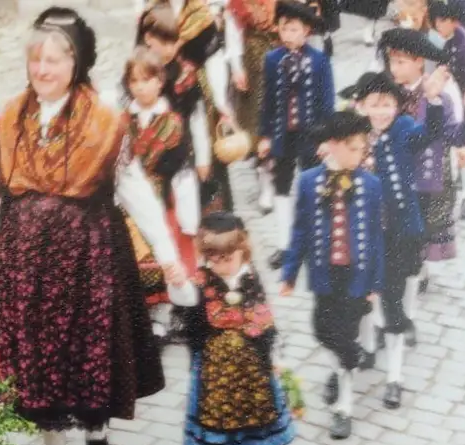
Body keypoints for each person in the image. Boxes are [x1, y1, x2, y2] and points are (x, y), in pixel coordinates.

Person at [0, 7, 184, 445]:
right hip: (26, 263)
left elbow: (135, 189)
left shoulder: (104, 120)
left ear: (77, 63)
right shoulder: (11, 120)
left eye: (55, 61)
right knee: (37, 356)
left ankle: (98, 438)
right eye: (35, 60)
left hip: (89, 258)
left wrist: (168, 254)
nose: (42, 70)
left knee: (90, 349)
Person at [280, 111, 385, 441]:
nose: (361, 155)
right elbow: (299, 231)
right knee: (323, 330)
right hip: (325, 275)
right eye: (354, 149)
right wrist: (289, 273)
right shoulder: (309, 181)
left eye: (364, 149)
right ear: (334, 146)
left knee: (345, 331)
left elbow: (377, 238)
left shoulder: (370, 184)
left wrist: (376, 283)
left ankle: (344, 407)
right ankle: (351, 358)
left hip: (357, 276)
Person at [345, 70, 447, 408]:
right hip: (362, 235)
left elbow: (431, 133)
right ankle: (367, 350)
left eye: (388, 104)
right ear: (360, 106)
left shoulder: (404, 129)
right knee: (360, 298)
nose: (382, 111)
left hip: (399, 234)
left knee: (392, 304)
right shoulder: (352, 135)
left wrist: (433, 99)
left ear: (397, 106)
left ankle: (394, 377)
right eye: (374, 104)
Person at [178, 212, 296, 445]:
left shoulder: (250, 276)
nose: (220, 267)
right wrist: (177, 284)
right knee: (216, 413)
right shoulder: (202, 280)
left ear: (242, 250)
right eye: (213, 260)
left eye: (226, 259)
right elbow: (187, 311)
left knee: (253, 404)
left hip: (251, 363)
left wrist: (275, 358)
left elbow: (264, 318)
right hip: (214, 367)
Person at [119, 47, 201, 342]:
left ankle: (161, 317)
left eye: (146, 79)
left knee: (163, 255)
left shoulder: (173, 122)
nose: (140, 86)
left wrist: (187, 214)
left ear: (159, 81)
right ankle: (140, 315)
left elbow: (181, 170)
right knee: (134, 258)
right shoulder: (122, 121)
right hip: (128, 201)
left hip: (161, 198)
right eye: (134, 81)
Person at [380, 28, 462, 286]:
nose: (394, 67)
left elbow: (449, 130)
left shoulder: (436, 93)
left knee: (425, 217)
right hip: (400, 167)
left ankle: (421, 264)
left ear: (418, 62)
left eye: (400, 62)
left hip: (428, 168)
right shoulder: (389, 93)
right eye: (391, 61)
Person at [258, 1, 337, 268]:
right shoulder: (272, 59)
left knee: (313, 188)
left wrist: (327, 138)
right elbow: (267, 101)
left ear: (306, 32)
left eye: (294, 29)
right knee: (281, 188)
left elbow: (327, 104)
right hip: (282, 137)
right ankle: (284, 244)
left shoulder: (319, 61)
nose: (288, 34)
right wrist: (264, 135)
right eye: (284, 29)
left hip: (311, 138)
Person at [139, 6, 238, 214]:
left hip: (195, 90)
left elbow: (214, 59)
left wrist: (220, 103)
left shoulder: (200, 15)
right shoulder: (151, 12)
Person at [221, 0, 284, 211]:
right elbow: (232, 33)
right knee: (258, 123)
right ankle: (265, 178)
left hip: (283, 58)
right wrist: (237, 67)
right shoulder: (239, 4)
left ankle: (277, 170)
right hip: (254, 63)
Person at [428, 0, 465, 220]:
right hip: (448, 99)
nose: (441, 25)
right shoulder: (440, 38)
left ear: (455, 20)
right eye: (438, 21)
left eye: (446, 20)